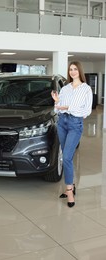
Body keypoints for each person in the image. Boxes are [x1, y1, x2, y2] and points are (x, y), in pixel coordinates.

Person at [51, 61, 93, 208]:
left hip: (75, 124)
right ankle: (72, 185)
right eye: (70, 69)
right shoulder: (65, 89)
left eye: (75, 69)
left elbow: (87, 111)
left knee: (67, 157)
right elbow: (57, 109)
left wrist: (68, 107)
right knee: (65, 156)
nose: (73, 72)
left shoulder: (86, 89)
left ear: (79, 71)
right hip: (62, 123)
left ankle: (69, 191)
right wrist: (57, 102)